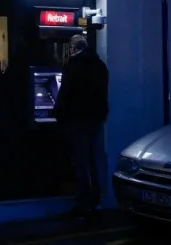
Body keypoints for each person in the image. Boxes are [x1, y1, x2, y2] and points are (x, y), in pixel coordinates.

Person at [52, 34, 109, 218]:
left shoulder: (74, 65)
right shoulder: (100, 65)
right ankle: (96, 201)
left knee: (80, 162)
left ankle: (84, 203)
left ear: (73, 47)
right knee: (94, 160)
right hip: (95, 120)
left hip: (77, 120)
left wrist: (58, 113)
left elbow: (66, 92)